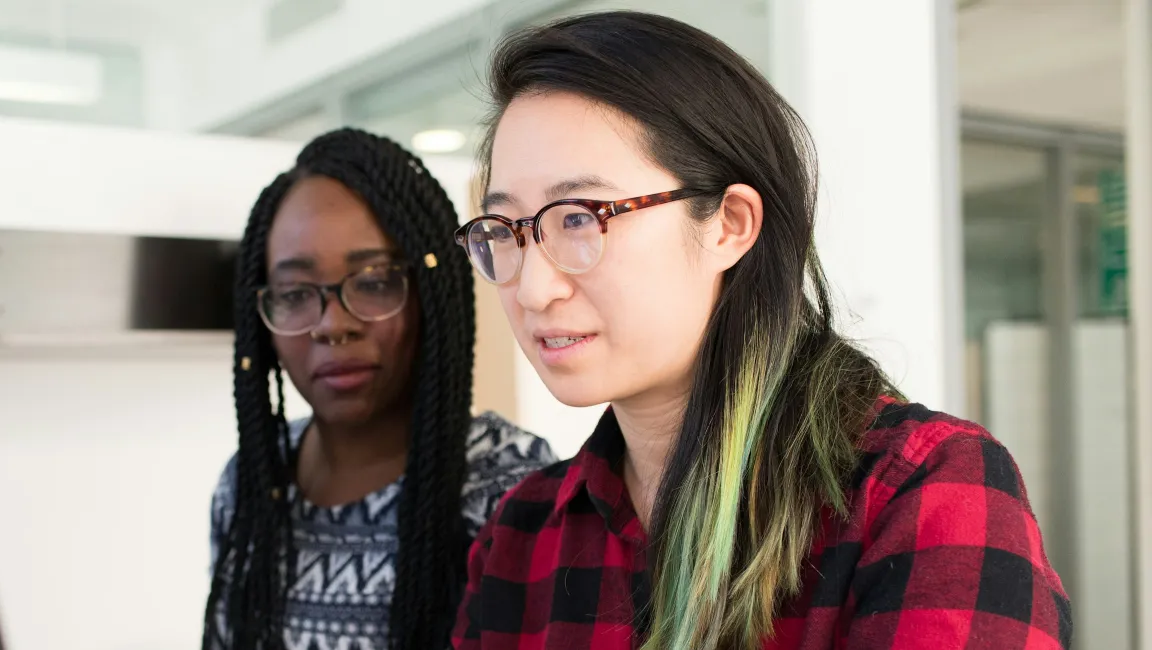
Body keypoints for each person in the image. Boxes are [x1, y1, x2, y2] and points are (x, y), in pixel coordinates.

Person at [450, 12, 1070, 650]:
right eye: (505, 231)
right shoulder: (521, 535)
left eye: (579, 219)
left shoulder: (920, 492)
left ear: (730, 224)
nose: (531, 288)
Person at [203, 128, 555, 650]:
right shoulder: (250, 485)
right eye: (296, 293)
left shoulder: (509, 488)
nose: (331, 325)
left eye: (373, 282)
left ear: (429, 296)